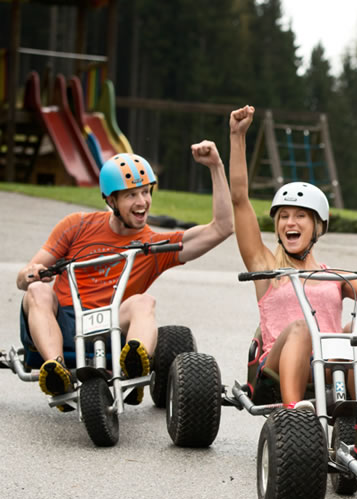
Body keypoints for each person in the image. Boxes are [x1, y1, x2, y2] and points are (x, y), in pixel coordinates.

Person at [17, 143, 233, 405]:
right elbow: (25, 276)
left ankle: (134, 366)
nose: (142, 202)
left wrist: (216, 167)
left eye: (145, 192)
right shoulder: (77, 226)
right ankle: (56, 371)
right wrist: (33, 274)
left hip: (114, 324)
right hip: (66, 323)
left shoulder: (153, 246)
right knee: (37, 292)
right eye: (131, 195)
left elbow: (222, 228)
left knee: (144, 301)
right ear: (111, 200)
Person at [228, 105, 357, 409]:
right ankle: (296, 416)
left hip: (331, 363)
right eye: (284, 217)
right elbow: (240, 201)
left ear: (318, 226)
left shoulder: (333, 277)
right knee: (302, 326)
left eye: (300, 217)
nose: (290, 223)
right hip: (282, 363)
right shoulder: (267, 267)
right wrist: (237, 136)